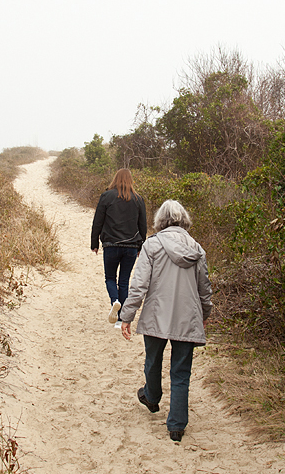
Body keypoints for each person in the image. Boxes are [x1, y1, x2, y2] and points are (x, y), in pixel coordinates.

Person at [118, 199, 212, 442]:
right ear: (184, 220)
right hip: (187, 317)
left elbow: (138, 286)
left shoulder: (152, 245)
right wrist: (204, 313)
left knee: (153, 360)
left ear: (160, 220)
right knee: (181, 372)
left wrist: (126, 316)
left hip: (156, 315)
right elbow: (205, 289)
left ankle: (151, 396)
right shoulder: (197, 249)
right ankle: (177, 426)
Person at [91, 168, 147, 329]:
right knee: (124, 281)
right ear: (131, 180)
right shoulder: (138, 199)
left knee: (110, 278)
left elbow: (98, 222)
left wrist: (94, 243)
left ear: (115, 179)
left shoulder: (106, 196)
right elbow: (142, 225)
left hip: (111, 245)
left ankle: (114, 301)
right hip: (130, 246)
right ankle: (121, 320)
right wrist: (140, 246)